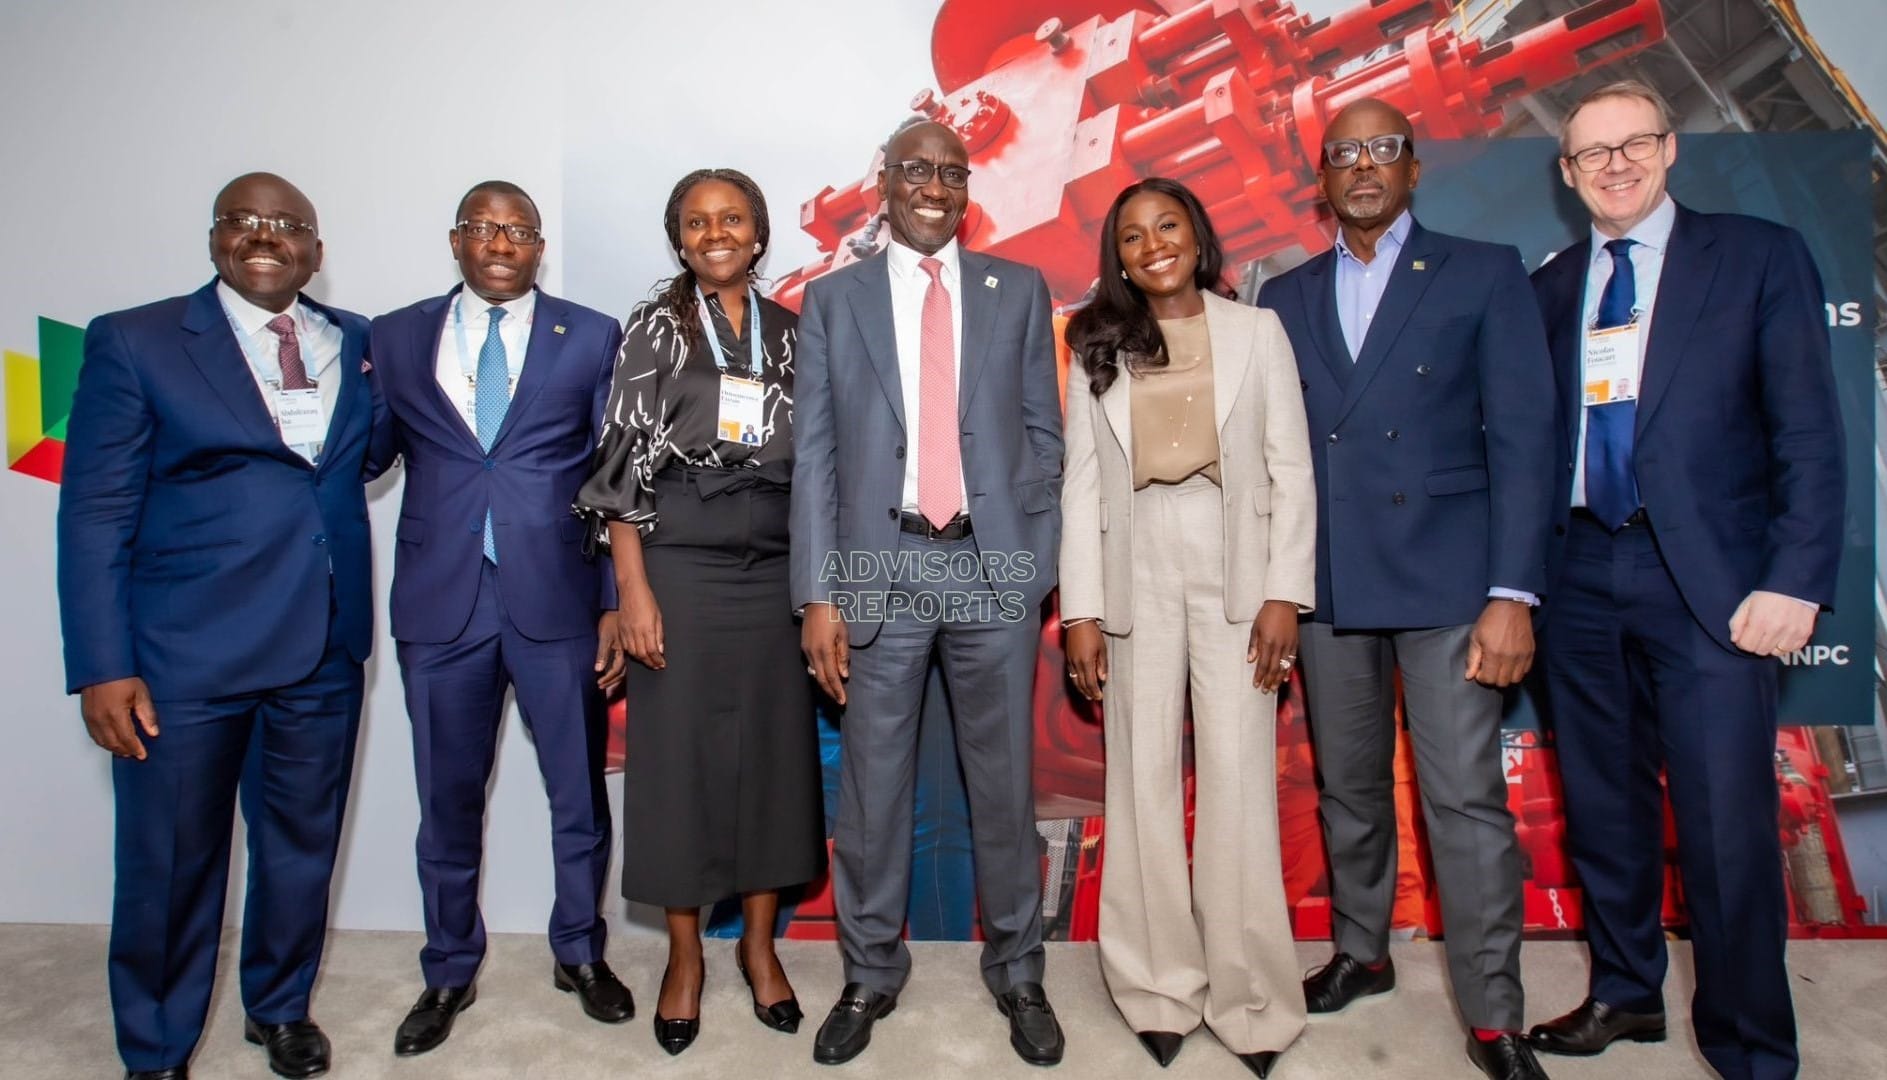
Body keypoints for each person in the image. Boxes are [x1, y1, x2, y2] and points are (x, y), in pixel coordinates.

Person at [1525, 81, 1844, 1080]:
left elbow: (1807, 430)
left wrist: (1796, 579)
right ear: (1567, 174)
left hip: (1708, 581)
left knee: (1724, 826)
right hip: (1577, 571)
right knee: (1603, 811)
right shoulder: (1551, 285)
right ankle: (1626, 994)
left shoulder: (1755, 256)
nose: (1615, 164)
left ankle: (1749, 1046)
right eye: (1593, 152)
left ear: (1670, 150)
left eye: (1635, 143)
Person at [1256, 98, 1558, 1080]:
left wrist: (1513, 592)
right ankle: (1363, 951)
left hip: (1451, 582)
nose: (1363, 165)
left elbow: (1525, 439)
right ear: (1322, 178)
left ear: (1413, 169)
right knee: (1347, 788)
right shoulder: (1283, 294)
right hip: (1330, 581)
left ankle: (1493, 1014)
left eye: (1382, 148)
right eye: (1343, 152)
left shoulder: (1483, 270)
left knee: (1462, 800)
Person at [57, 172, 378, 1080]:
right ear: (214, 238)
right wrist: (101, 663)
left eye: (288, 225)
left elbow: (363, 456)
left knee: (301, 849)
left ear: (315, 249)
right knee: (169, 863)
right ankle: (157, 1047)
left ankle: (279, 1007)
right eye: (244, 220)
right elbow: (94, 512)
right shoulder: (138, 340)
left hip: (322, 643)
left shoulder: (354, 340)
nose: (266, 236)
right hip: (183, 656)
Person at [790, 119, 1066, 1067]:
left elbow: (1043, 432)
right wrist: (819, 593)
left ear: (967, 186)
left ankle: (1019, 971)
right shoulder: (834, 300)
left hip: (991, 566)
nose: (934, 187)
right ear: (886, 181)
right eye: (917, 170)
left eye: (952, 172)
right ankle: (869, 973)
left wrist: (1035, 558)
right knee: (873, 791)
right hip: (881, 566)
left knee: (1004, 786)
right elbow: (816, 456)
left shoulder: (1016, 289)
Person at [368, 180, 631, 1057]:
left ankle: (579, 952)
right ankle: (448, 967)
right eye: (483, 227)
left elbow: (611, 478)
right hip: (441, 604)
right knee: (445, 802)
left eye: (518, 230)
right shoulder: (394, 336)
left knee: (577, 797)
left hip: (558, 599)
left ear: (538, 246)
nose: (500, 242)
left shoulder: (589, 334)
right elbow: (368, 453)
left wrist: (612, 603)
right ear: (456, 240)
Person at [1060, 178, 1315, 1077]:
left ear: (1197, 238)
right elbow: (1080, 482)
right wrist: (1081, 608)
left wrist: (1284, 591)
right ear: (1119, 258)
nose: (1152, 244)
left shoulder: (1257, 331)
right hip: (1131, 560)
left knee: (1240, 779)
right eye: (1132, 236)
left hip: (1235, 560)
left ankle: (1251, 1000)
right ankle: (1157, 987)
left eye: (1167, 226)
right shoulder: (1094, 343)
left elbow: (1290, 466)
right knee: (1141, 780)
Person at [573, 167, 825, 1056]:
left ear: (758, 234)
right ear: (678, 239)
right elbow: (619, 467)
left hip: (776, 568)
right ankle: (685, 958)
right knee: (678, 766)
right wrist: (631, 589)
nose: (715, 233)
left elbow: (822, 463)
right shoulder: (654, 328)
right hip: (677, 564)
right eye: (696, 222)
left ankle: (758, 948)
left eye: (732, 219)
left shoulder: (795, 332)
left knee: (772, 761)